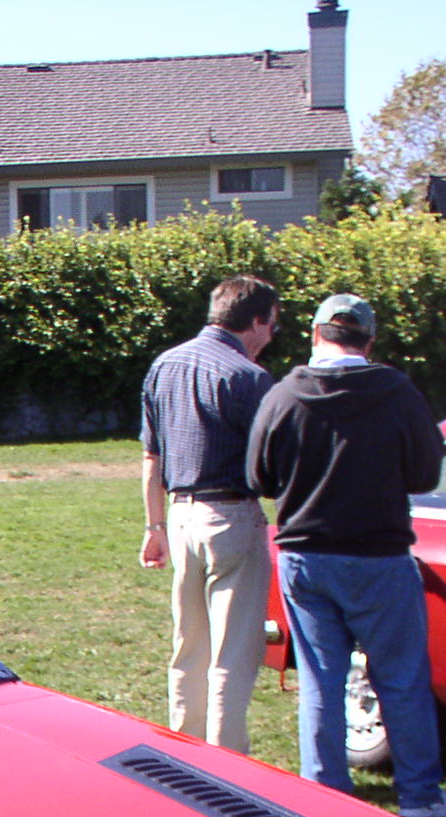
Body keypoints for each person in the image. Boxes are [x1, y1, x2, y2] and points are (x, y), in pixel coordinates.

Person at [246, 293, 446, 817]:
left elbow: (258, 477)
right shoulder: (396, 392)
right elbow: (426, 474)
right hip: (378, 555)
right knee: (401, 676)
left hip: (306, 556)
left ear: (316, 335)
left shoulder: (284, 396)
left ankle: (326, 794)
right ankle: (419, 794)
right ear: (368, 340)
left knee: (321, 678)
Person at [139, 275, 280, 753]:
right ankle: (227, 764)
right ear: (256, 321)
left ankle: (184, 752)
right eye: (272, 326)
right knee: (232, 654)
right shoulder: (249, 377)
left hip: (179, 518)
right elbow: (273, 463)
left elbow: (151, 458)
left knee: (188, 647)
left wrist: (153, 526)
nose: (271, 337)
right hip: (232, 517)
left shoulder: (164, 365)